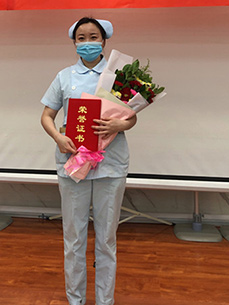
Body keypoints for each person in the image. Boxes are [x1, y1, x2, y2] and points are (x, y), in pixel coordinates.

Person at [40, 17, 137, 305]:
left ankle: (105, 300)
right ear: (74, 43)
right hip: (73, 166)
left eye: (93, 37)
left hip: (110, 165)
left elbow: (132, 117)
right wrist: (58, 137)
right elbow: (47, 116)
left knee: (106, 239)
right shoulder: (64, 76)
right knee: (74, 239)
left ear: (104, 41)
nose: (87, 43)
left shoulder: (118, 77)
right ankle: (76, 300)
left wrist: (121, 125)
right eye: (81, 38)